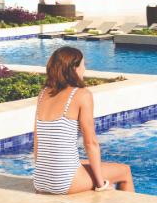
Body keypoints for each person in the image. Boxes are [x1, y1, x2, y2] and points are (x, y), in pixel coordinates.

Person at [33, 46, 134, 194]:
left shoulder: (43, 94)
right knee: (124, 171)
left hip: (40, 180)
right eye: (83, 65)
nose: (84, 69)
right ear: (74, 68)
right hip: (64, 182)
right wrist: (101, 184)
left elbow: (37, 141)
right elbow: (90, 143)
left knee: (88, 164)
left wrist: (47, 174)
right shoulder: (82, 95)